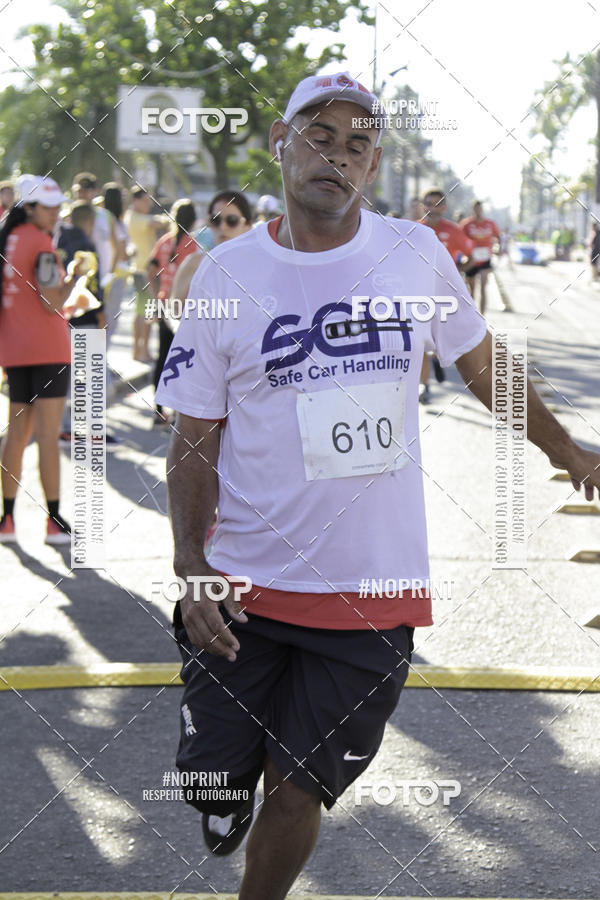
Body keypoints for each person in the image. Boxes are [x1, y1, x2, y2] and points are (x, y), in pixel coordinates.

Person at [154, 70, 600, 900]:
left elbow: (480, 363)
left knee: (296, 790)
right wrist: (189, 560)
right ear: (281, 146)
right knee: (212, 778)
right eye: (319, 137)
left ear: (375, 163)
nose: (338, 155)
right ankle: (218, 786)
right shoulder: (224, 276)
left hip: (372, 588)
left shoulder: (413, 251)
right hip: (243, 580)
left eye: (358, 144)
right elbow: (193, 432)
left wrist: (569, 450)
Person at [0, 175, 83, 543]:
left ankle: (7, 520)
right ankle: (54, 522)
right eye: (48, 207)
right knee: (48, 437)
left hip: (15, 350)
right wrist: (76, 278)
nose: (55, 213)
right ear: (29, 208)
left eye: (57, 207)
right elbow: (53, 302)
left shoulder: (9, 238)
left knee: (17, 436)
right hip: (48, 351)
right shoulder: (42, 244)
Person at [56, 200, 106, 445]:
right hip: (85, 316)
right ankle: (90, 429)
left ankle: (65, 427)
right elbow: (92, 284)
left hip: (60, 316)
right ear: (90, 221)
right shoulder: (86, 246)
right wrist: (102, 312)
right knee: (90, 374)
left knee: (66, 373)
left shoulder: (58, 242)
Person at [418, 188, 474, 402]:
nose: (433, 209)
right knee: (421, 341)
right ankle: (425, 385)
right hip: (420, 294)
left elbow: (470, 255)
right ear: (424, 206)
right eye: (429, 204)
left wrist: (458, 273)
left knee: (445, 339)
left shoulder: (453, 230)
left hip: (446, 296)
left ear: (444, 208)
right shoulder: (414, 229)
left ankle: (436, 359)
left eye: (437, 204)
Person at [148, 199, 199, 426]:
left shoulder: (164, 242)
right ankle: (179, 412)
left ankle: (159, 410)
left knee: (162, 357)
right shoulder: (193, 244)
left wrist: (158, 293)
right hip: (185, 311)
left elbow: (150, 268)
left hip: (163, 306)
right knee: (183, 360)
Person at [125, 186, 165, 362]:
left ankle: (140, 351)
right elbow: (159, 222)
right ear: (136, 200)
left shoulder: (135, 216)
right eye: (146, 200)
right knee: (145, 313)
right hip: (143, 271)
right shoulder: (136, 217)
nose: (149, 204)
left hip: (142, 269)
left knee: (144, 312)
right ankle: (141, 351)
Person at [460, 200, 501, 314]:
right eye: (475, 209)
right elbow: (460, 239)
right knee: (472, 289)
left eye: (480, 209)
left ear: (482, 210)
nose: (478, 211)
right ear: (472, 210)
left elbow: (498, 236)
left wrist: (498, 248)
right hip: (471, 259)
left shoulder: (490, 223)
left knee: (483, 287)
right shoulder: (466, 224)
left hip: (485, 258)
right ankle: (472, 315)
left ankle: (483, 317)